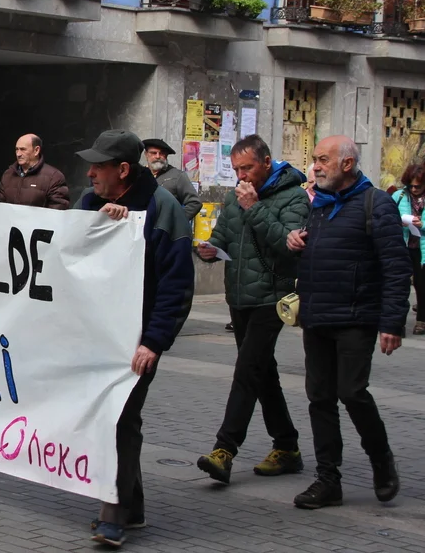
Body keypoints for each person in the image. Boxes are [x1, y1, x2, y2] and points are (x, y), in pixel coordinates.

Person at [76, 130, 194, 548]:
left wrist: (154, 342)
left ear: (123, 170)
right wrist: (97, 223)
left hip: (135, 340)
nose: (90, 174)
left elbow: (176, 285)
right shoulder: (89, 202)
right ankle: (134, 505)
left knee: (120, 420)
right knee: (111, 418)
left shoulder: (163, 209)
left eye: (99, 167)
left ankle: (113, 515)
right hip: (98, 336)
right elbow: (67, 252)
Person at [286, 135, 411, 509]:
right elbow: (319, 252)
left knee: (352, 392)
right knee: (319, 397)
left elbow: (396, 267)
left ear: (347, 163)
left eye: (323, 159)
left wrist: (392, 323)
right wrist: (295, 241)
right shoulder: (319, 205)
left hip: (357, 317)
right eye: (314, 159)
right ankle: (328, 479)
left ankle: (381, 460)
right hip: (317, 316)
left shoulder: (377, 203)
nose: (315, 166)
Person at [195, 135, 308, 484]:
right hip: (239, 296)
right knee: (262, 372)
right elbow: (223, 236)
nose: (242, 176)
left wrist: (255, 208)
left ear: (267, 162)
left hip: (272, 298)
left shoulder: (293, 196)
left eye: (247, 168)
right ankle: (286, 446)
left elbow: (288, 245)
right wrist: (209, 249)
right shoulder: (236, 196)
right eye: (236, 170)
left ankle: (224, 449)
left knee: (247, 371)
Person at [0, 133, 70, 209]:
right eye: (17, 149)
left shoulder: (54, 177)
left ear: (36, 150)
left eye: (23, 149)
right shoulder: (8, 174)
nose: (18, 154)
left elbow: (57, 211)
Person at [392, 163, 425, 334]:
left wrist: (422, 224)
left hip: (422, 248)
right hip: (403, 245)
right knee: (400, 285)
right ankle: (398, 322)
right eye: (410, 186)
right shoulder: (399, 196)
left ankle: (421, 320)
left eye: (418, 186)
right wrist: (399, 221)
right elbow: (387, 216)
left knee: (421, 284)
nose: (413, 189)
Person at [142, 138, 202, 221]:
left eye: (162, 153)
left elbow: (195, 203)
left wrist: (175, 222)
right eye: (153, 153)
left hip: (164, 227)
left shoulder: (177, 176)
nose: (157, 156)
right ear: (146, 154)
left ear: (166, 156)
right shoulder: (139, 175)